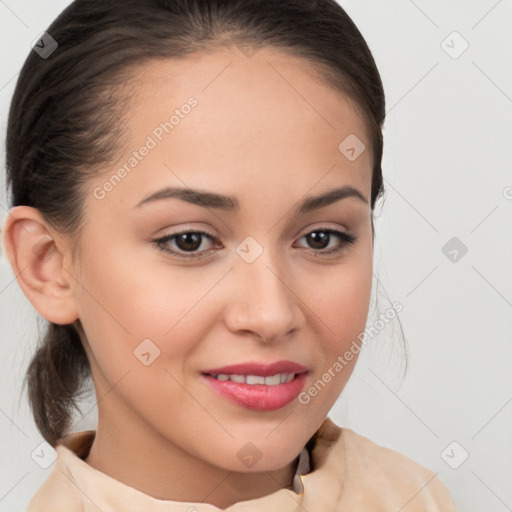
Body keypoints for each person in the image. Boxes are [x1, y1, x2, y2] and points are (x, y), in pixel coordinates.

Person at [2, 0, 457, 510]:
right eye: (189, 240)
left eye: (321, 237)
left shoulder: (417, 497)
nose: (270, 315)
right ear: (49, 265)